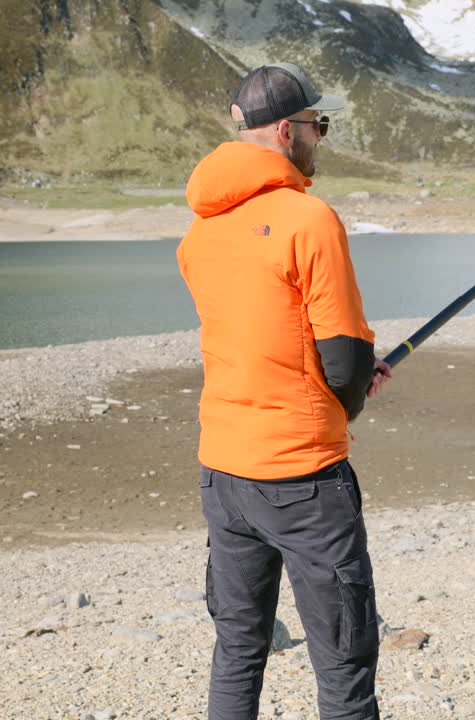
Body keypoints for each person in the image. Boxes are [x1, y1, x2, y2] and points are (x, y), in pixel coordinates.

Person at [176, 63, 392, 720]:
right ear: (284, 131)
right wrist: (354, 390)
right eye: (316, 125)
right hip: (302, 477)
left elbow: (268, 337)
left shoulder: (198, 233)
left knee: (238, 648)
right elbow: (344, 363)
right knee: (343, 658)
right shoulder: (308, 219)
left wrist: (342, 372)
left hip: (224, 474)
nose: (320, 138)